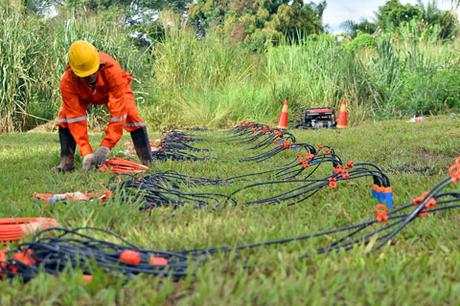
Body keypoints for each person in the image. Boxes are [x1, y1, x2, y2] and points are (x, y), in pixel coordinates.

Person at [53, 40, 152, 172]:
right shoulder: (67, 80)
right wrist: (86, 151)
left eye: (92, 72)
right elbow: (75, 118)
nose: (90, 77)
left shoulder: (112, 69)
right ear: (74, 71)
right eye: (85, 76)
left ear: (98, 65)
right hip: (82, 93)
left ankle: (147, 161)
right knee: (65, 118)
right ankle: (66, 164)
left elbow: (118, 113)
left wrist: (106, 146)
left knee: (131, 114)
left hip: (112, 90)